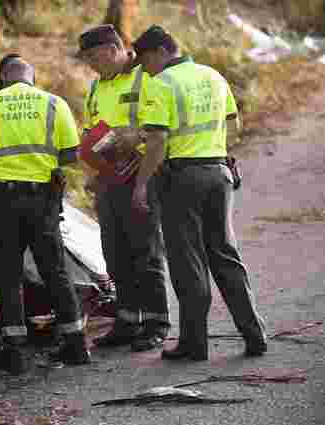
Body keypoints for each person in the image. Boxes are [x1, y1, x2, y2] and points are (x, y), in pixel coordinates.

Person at [129, 25, 267, 360]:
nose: (145, 69)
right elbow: (231, 121)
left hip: (183, 179)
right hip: (219, 173)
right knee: (225, 254)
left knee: (188, 261)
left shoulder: (162, 84)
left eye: (145, 60)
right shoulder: (213, 75)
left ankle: (194, 343)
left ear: (161, 52)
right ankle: (255, 334)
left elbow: (158, 140)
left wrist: (142, 183)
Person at [0, 53, 90, 375]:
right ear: (32, 78)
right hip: (42, 200)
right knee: (55, 270)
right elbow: (71, 153)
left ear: (2, 79)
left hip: (2, 200)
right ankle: (76, 344)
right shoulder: (54, 104)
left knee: (8, 274)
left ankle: (16, 352)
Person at [73, 24, 171, 352]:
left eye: (92, 56)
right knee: (115, 252)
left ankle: (156, 322)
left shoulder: (147, 76)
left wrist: (138, 135)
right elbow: (90, 132)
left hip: (142, 173)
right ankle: (128, 320)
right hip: (109, 178)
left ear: (112, 48)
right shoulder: (95, 88)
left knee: (146, 251)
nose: (89, 63)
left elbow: (163, 126)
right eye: (85, 58)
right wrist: (92, 171)